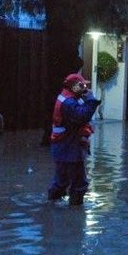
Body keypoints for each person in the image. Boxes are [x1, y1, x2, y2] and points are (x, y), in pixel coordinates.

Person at [48, 73, 101, 206]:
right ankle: (76, 216)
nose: (85, 88)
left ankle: (51, 206)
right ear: (73, 87)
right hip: (69, 148)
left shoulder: (68, 98)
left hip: (64, 147)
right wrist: (91, 100)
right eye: (82, 85)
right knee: (79, 183)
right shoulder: (69, 103)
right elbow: (82, 116)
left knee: (61, 181)